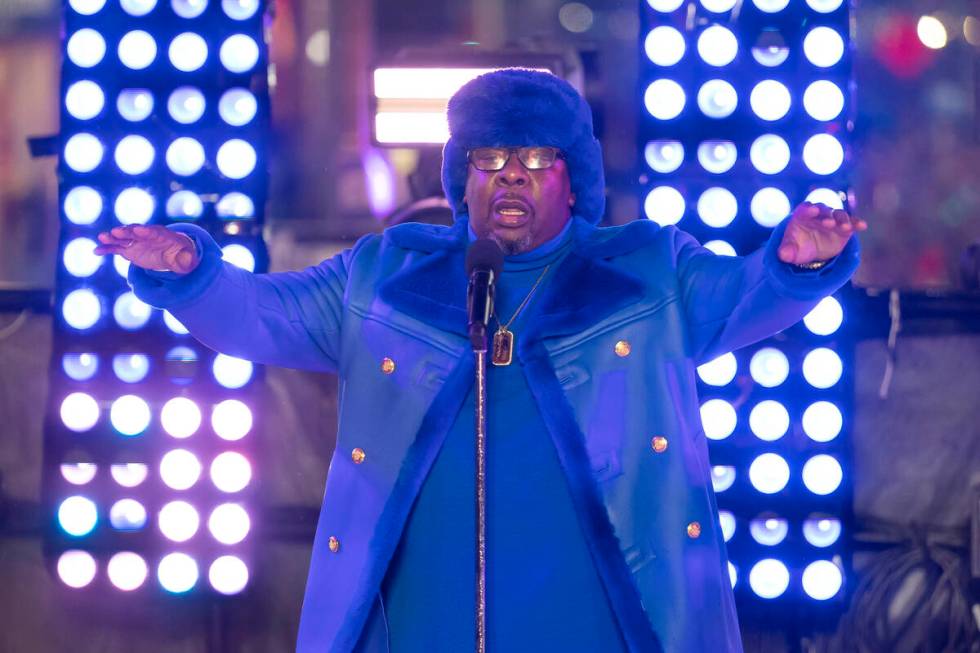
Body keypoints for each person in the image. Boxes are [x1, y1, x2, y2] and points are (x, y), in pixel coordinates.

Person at [96, 69, 866, 653]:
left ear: (576, 179)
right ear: (461, 177)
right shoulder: (388, 274)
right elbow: (262, 316)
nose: (513, 174)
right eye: (490, 156)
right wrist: (189, 271)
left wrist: (796, 263)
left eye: (538, 156)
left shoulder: (648, 269)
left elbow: (743, 295)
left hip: (603, 625)